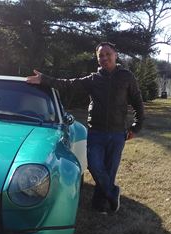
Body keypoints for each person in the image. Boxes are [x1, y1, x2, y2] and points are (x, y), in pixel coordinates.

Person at [26, 41, 145, 214]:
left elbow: (137, 102)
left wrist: (136, 126)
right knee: (95, 166)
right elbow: (67, 83)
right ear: (98, 60)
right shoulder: (93, 80)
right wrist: (44, 79)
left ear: (115, 55)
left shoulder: (127, 77)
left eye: (107, 54)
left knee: (109, 170)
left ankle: (100, 205)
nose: (104, 58)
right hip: (96, 132)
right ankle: (113, 193)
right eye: (100, 56)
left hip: (118, 133)